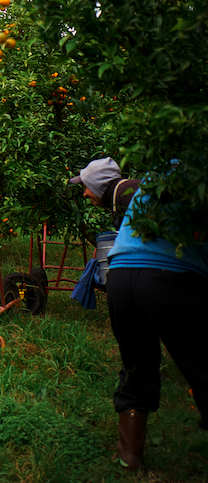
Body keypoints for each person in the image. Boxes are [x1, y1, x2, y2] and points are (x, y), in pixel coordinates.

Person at [70, 158, 208, 471]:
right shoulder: (195, 186)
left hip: (120, 274)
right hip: (168, 276)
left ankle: (129, 456)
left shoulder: (152, 183)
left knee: (137, 364)